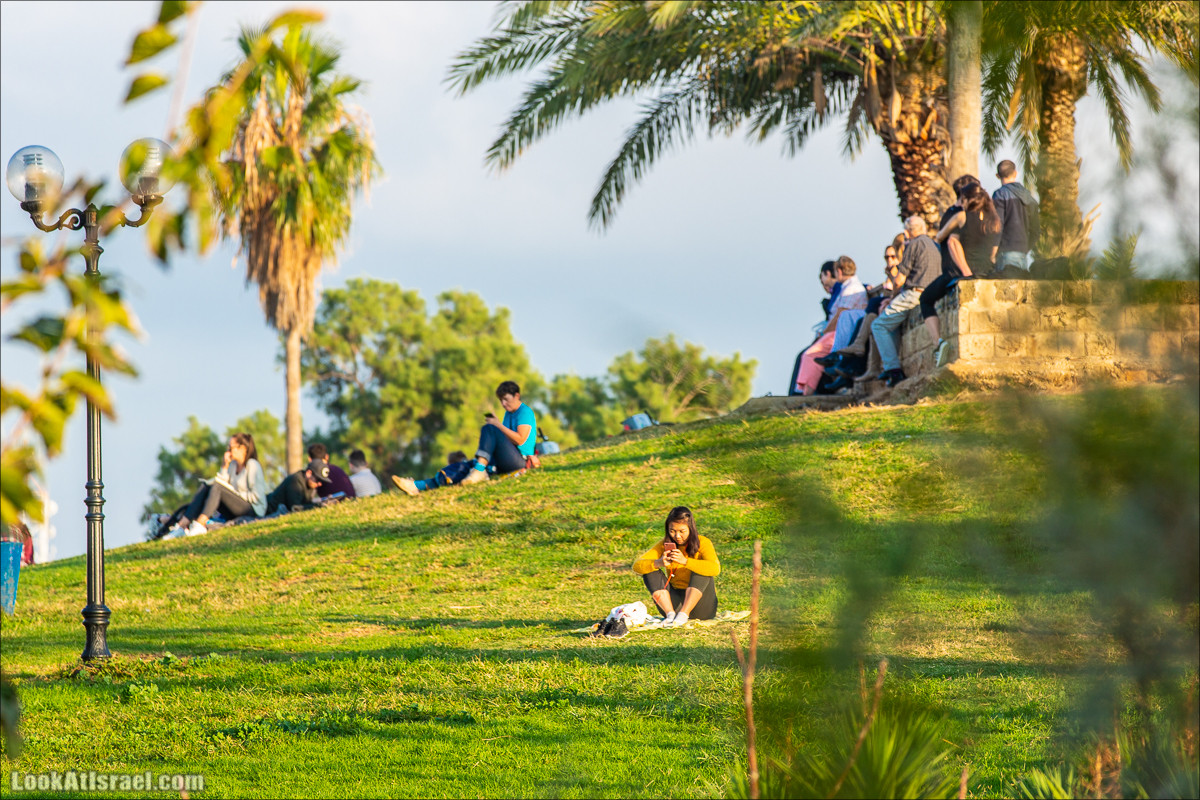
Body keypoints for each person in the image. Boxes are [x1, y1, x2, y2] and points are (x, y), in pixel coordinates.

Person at [923, 182, 1002, 366]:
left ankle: (938, 343)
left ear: (966, 200)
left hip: (963, 272)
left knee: (925, 299)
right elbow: (994, 251)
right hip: (987, 270)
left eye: (962, 199)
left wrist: (965, 270)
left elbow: (943, 238)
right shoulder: (994, 220)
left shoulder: (962, 216)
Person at [870, 215, 942, 387]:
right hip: (932, 293)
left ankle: (892, 369)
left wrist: (891, 298)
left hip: (913, 294)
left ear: (907, 232)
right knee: (892, 324)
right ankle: (893, 365)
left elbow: (900, 280)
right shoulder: (935, 246)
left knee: (878, 325)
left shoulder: (913, 245)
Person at [632, 506, 720, 628]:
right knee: (650, 570)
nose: (677, 536)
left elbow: (715, 569)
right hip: (675, 605)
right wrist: (659, 563)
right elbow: (637, 566)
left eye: (682, 531)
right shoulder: (664, 544)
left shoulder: (703, 542)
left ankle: (684, 614)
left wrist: (686, 562)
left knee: (702, 569)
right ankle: (670, 615)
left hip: (703, 608)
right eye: (672, 531)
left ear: (691, 528)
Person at [795, 256, 866, 395]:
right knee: (808, 355)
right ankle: (804, 391)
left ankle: (806, 393)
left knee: (810, 355)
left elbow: (839, 316)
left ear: (839, 271)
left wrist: (823, 333)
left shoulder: (851, 289)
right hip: (839, 331)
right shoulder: (848, 287)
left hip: (840, 333)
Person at [174, 432, 268, 536]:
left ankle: (200, 524)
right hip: (235, 509)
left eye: (231, 448)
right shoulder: (233, 465)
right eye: (228, 447)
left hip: (253, 510)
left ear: (243, 448)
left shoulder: (252, 465)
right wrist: (224, 466)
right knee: (207, 486)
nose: (228, 451)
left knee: (217, 487)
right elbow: (222, 484)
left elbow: (256, 496)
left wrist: (235, 494)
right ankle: (182, 525)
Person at [460, 381, 538, 485]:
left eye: (506, 399)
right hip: (508, 457)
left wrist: (498, 425)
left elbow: (520, 440)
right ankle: (439, 481)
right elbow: (506, 437)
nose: (503, 404)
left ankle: (479, 471)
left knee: (491, 429)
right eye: (501, 400)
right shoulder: (508, 414)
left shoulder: (524, 412)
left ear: (516, 396)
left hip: (520, 460)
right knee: (465, 464)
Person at [789, 261, 839, 395]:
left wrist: (823, 333)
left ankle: (802, 393)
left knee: (808, 355)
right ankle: (799, 391)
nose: (824, 286)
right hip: (830, 334)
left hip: (833, 335)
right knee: (803, 355)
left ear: (827, 274)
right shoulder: (837, 292)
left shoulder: (841, 289)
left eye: (823, 280)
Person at [992, 159, 1039, 272]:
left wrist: (992, 253)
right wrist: (1025, 248)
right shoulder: (1029, 197)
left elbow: (998, 227)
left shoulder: (999, 195)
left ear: (997, 176)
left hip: (1004, 254)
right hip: (1022, 255)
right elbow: (1036, 231)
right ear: (1015, 173)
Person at [391, 451, 475, 496]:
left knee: (434, 482)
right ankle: (414, 487)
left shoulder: (461, 466)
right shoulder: (469, 464)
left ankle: (413, 486)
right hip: (446, 480)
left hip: (445, 479)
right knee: (433, 482)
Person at [264, 459, 333, 515]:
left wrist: (323, 502)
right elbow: (295, 508)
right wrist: (319, 505)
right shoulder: (295, 481)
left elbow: (307, 504)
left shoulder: (310, 485)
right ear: (309, 473)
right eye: (318, 480)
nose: (320, 484)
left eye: (322, 481)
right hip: (266, 512)